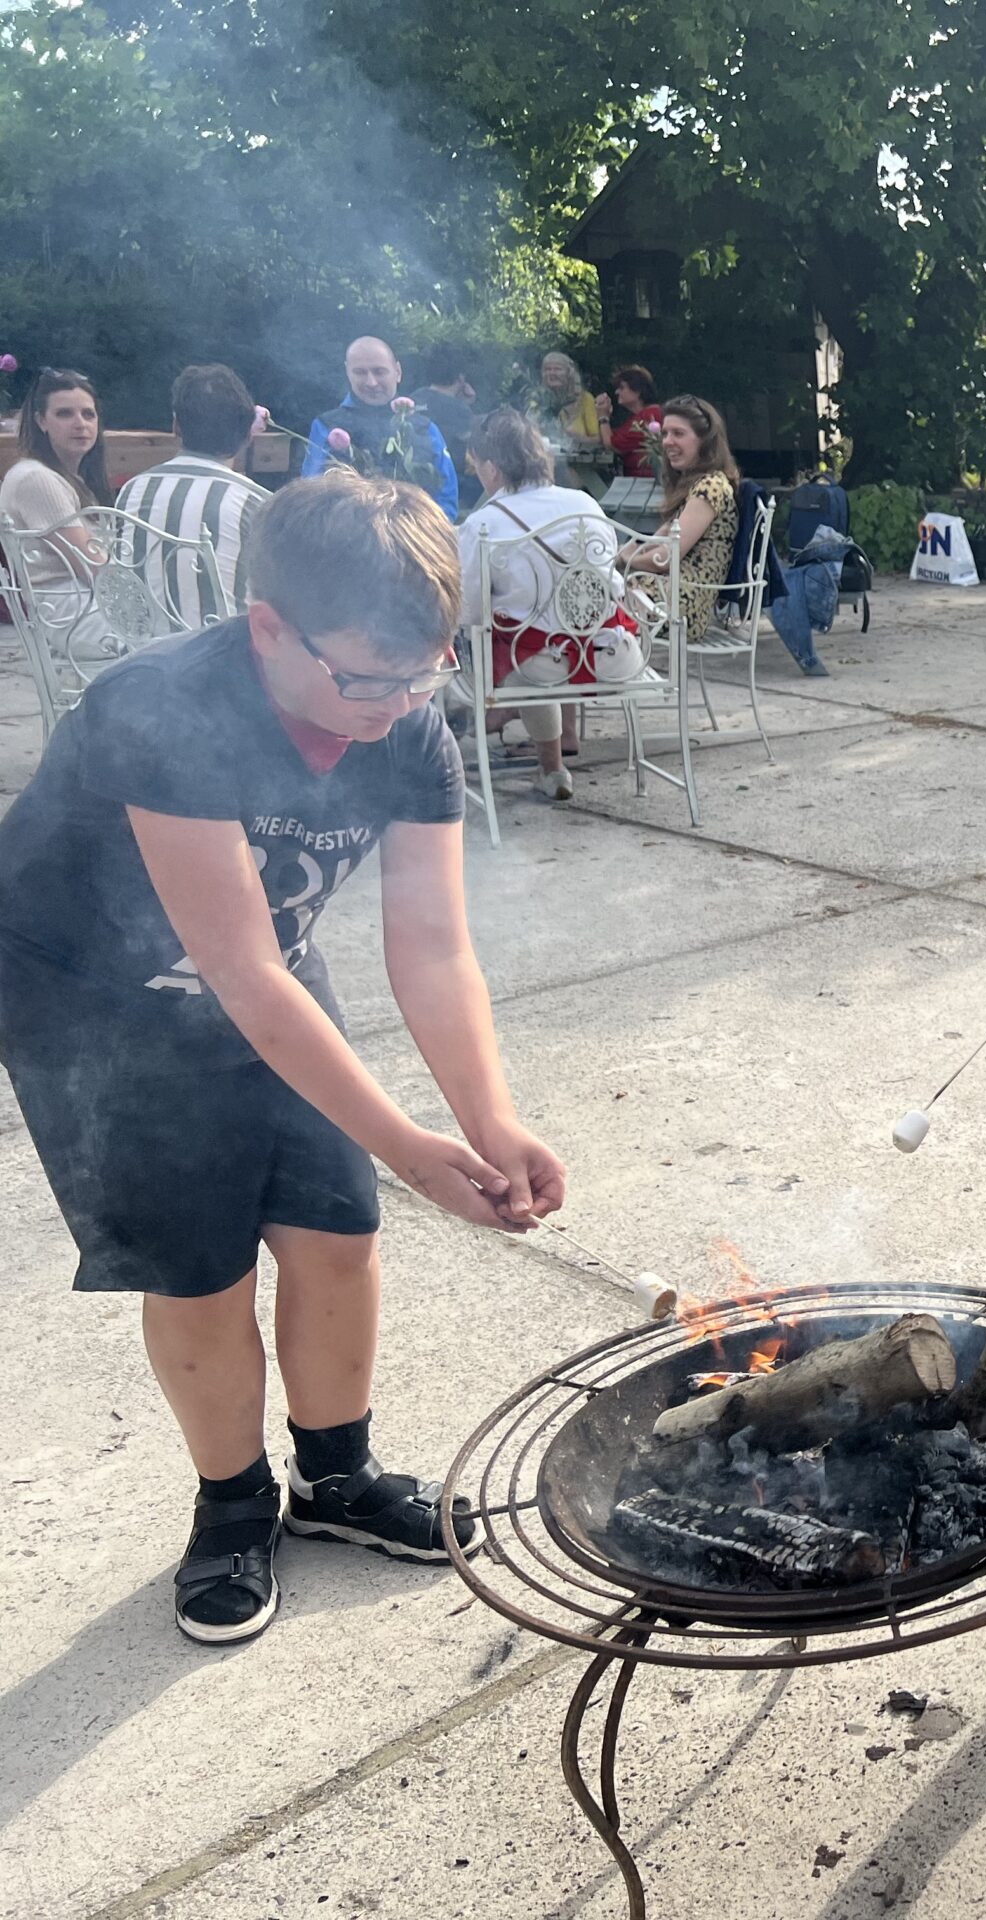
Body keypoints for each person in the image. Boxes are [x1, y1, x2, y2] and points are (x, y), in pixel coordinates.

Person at [0, 468, 567, 1646]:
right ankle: (232, 1505)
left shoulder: (408, 722)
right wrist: (410, 1142)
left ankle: (336, 1480)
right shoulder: (164, 711)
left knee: (336, 1227)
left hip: (262, 975)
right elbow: (241, 977)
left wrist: (489, 1117)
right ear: (271, 628)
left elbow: (431, 947)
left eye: (426, 671)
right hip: (94, 1007)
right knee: (199, 1269)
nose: (397, 701)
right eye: (367, 675)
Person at [453, 409, 643, 801]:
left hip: (541, 668)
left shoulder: (482, 523)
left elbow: (469, 612)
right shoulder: (584, 503)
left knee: (502, 651)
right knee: (536, 647)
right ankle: (552, 770)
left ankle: (452, 766)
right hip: (614, 658)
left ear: (491, 466)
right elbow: (613, 585)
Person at [115, 363, 271, 630]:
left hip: (139, 660)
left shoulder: (133, 490)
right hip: (221, 664)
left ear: (176, 426)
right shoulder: (257, 504)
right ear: (248, 433)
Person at [1, 368, 114, 638]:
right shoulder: (36, 479)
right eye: (65, 414)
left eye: (88, 414)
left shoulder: (71, 480)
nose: (80, 423)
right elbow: (93, 566)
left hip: (88, 607)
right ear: (41, 421)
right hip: (73, 618)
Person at [620, 394, 739, 637]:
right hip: (669, 594)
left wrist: (625, 560)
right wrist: (626, 554)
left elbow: (665, 558)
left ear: (705, 441)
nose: (667, 442)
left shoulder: (710, 487)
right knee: (591, 589)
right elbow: (656, 542)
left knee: (591, 596)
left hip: (683, 606)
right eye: (664, 434)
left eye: (678, 434)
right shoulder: (694, 486)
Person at [302, 337, 459, 519]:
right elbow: (311, 496)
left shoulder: (425, 429)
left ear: (398, 372)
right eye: (360, 372)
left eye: (379, 372)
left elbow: (446, 502)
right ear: (348, 373)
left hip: (415, 539)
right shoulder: (326, 427)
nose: (371, 382)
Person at [412, 346, 482, 510]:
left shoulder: (413, 399)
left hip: (415, 479)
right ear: (460, 378)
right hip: (449, 481)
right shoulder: (459, 410)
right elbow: (471, 450)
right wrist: (468, 405)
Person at [532, 351, 605, 470]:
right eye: (547, 369)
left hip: (581, 469)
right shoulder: (538, 400)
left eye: (557, 369)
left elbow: (599, 441)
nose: (551, 373)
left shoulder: (585, 400)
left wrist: (579, 438)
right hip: (542, 468)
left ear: (569, 373)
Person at [605, 366, 663, 479]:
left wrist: (602, 417)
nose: (617, 392)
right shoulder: (642, 415)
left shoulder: (649, 416)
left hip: (646, 480)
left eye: (622, 388)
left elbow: (613, 445)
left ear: (637, 391)